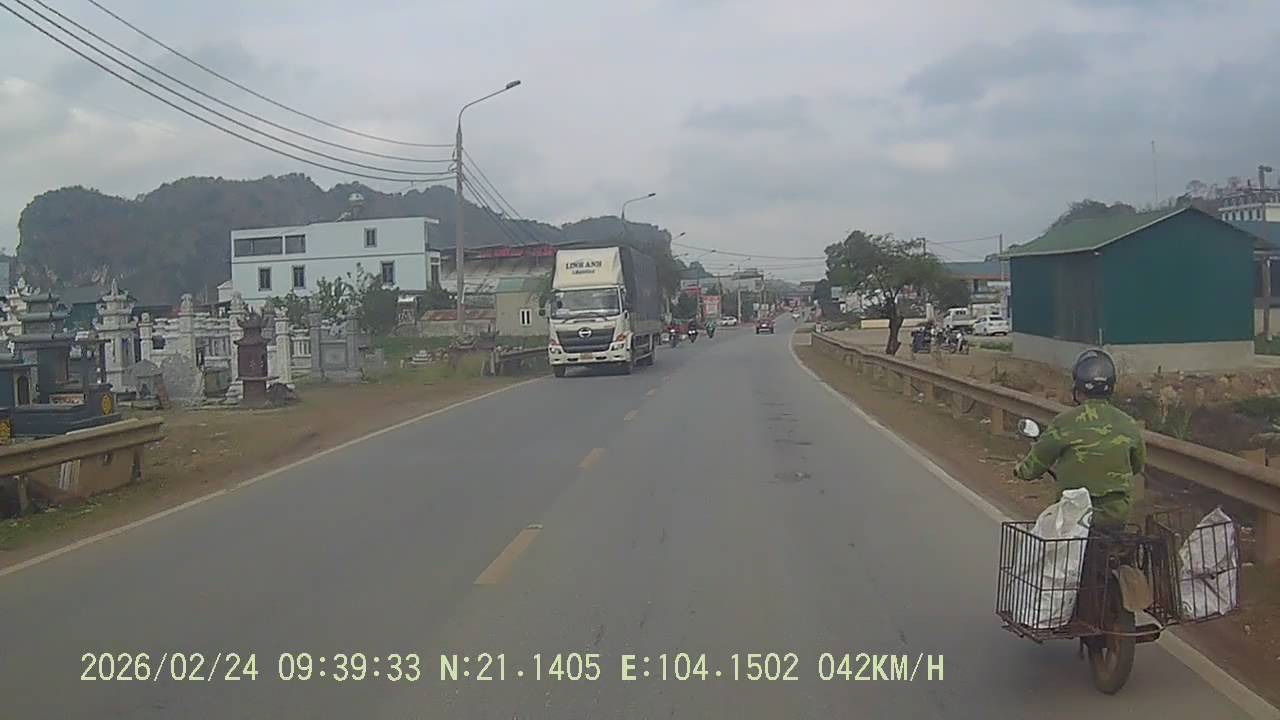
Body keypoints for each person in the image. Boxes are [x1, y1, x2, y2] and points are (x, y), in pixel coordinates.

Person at [1014, 349, 1146, 528]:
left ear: (1077, 389)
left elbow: (1037, 461)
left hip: (1074, 514)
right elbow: (1136, 465)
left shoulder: (1065, 422)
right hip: (1115, 515)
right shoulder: (1128, 423)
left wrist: (1021, 470)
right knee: (1115, 539)